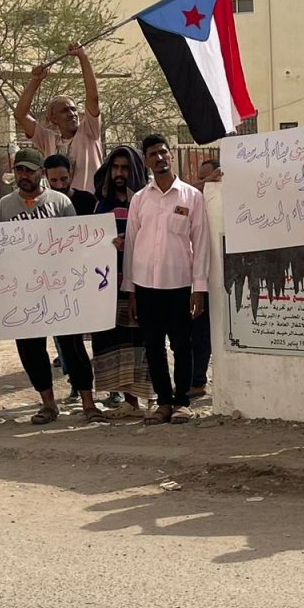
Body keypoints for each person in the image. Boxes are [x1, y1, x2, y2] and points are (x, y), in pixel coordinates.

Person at [0, 147, 99, 426]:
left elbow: (77, 242)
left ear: (41, 172)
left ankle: (88, 403)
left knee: (72, 347)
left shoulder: (59, 203)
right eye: (19, 170)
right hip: (24, 291)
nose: (24, 175)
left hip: (59, 288)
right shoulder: (5, 206)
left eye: (30, 170)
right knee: (31, 349)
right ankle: (48, 404)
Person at [126, 132, 210, 424]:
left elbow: (201, 244)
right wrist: (131, 291)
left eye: (163, 152)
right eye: (153, 154)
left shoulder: (191, 197)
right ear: (146, 161)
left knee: (182, 345)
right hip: (146, 286)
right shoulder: (140, 199)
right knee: (153, 346)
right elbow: (131, 245)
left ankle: (182, 402)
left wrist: (199, 288)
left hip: (180, 285)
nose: (159, 158)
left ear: (171, 155)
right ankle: (163, 402)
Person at [89, 144, 149, 415]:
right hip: (108, 286)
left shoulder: (144, 201)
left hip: (139, 283)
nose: (119, 173)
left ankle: (151, 399)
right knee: (115, 342)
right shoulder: (101, 203)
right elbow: (90, 240)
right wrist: (106, 244)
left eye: (125, 168)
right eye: (115, 167)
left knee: (141, 342)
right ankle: (129, 402)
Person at [38, 152, 94, 405]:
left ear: (71, 174)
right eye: (54, 181)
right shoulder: (43, 205)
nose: (59, 184)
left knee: (97, 331)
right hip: (55, 280)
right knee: (65, 338)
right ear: (45, 177)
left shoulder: (86, 200)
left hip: (86, 274)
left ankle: (110, 387)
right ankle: (74, 383)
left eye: (63, 179)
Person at [15, 42, 104, 192]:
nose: (72, 114)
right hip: (61, 204)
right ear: (53, 118)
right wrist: (36, 80)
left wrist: (82, 56)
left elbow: (93, 97)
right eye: (65, 110)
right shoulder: (49, 140)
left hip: (91, 203)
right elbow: (20, 115)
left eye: (73, 109)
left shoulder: (89, 131)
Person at [189, 155, 223, 399]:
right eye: (201, 178)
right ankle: (196, 380)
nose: (202, 183)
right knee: (197, 330)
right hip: (201, 272)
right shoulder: (195, 198)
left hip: (222, 272)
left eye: (207, 177)